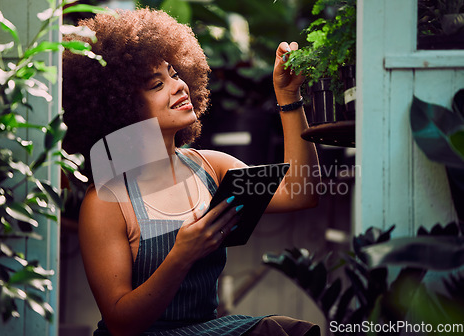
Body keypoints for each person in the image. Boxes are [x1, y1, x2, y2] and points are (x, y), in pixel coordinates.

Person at [62, 7, 321, 336]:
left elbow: (302, 194)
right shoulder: (106, 202)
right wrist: (182, 255)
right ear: (120, 107)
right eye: (157, 85)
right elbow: (121, 323)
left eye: (174, 73)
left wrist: (288, 95)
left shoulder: (211, 167)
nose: (178, 86)